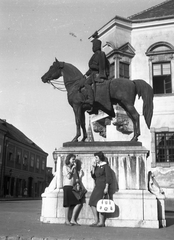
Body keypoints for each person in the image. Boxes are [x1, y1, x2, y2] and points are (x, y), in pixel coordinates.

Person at [84, 37, 110, 112]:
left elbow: (93, 66)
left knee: (86, 83)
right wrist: (86, 74)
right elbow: (107, 65)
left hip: (96, 75)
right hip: (102, 74)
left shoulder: (96, 55)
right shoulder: (103, 54)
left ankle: (91, 100)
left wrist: (91, 66)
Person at [89, 151, 112, 227]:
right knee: (92, 202)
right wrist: (93, 167)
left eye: (96, 157)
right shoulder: (97, 166)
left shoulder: (106, 166)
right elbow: (93, 176)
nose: (95, 159)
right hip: (97, 186)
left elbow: (108, 177)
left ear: (99, 157)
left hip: (102, 186)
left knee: (101, 203)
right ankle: (96, 220)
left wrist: (106, 187)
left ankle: (101, 222)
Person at [62, 153, 82, 226]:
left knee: (78, 203)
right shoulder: (65, 167)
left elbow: (76, 178)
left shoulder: (74, 168)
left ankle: (73, 219)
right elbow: (69, 177)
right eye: (73, 159)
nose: (74, 161)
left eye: (74, 159)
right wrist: (73, 168)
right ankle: (66, 220)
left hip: (73, 186)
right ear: (69, 159)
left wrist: (78, 182)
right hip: (67, 186)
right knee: (67, 204)